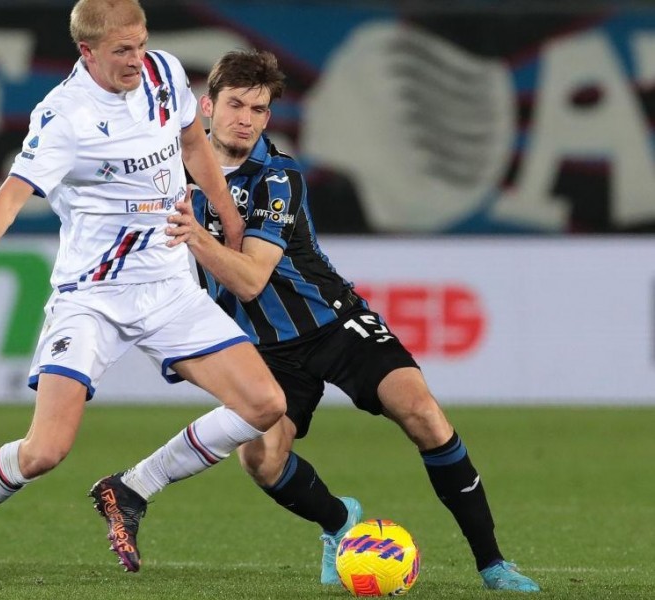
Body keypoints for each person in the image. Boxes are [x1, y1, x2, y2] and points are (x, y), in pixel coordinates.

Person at [104, 49, 541, 592]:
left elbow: (251, 280)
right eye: (236, 104)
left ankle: (492, 564)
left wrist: (196, 235)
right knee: (260, 461)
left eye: (259, 110)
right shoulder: (167, 169)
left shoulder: (277, 177)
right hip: (260, 347)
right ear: (206, 107)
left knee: (423, 413)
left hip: (333, 323)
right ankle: (340, 523)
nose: (246, 119)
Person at [0, 2, 286, 584]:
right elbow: (11, 192)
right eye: (122, 51)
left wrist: (228, 219)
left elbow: (193, 146)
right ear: (88, 51)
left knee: (264, 406)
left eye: (141, 43)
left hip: (168, 286)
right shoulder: (65, 115)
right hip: (92, 297)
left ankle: (132, 488)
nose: (137, 59)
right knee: (45, 450)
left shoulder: (165, 73)